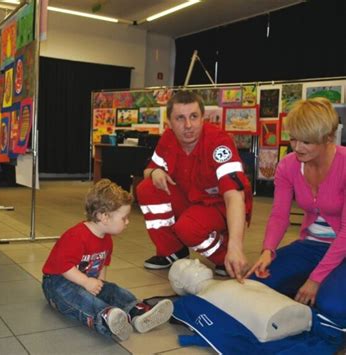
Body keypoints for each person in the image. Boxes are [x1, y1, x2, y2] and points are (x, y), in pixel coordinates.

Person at [246, 98, 346, 329]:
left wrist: (316, 279)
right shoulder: (288, 166)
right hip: (311, 246)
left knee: (332, 305)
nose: (297, 147)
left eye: (307, 141)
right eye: (293, 138)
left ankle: (320, 284)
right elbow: (280, 215)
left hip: (343, 248)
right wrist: (267, 251)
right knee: (254, 284)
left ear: (328, 138)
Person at [136, 91, 252, 281]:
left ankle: (224, 256)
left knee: (188, 228)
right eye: (180, 118)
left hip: (218, 205)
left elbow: (234, 196)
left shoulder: (219, 143)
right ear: (170, 123)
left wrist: (236, 247)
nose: (188, 125)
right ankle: (172, 251)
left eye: (194, 117)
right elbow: (148, 171)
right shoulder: (168, 138)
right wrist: (155, 172)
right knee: (147, 188)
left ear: (203, 118)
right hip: (191, 199)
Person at [42, 179, 174, 341]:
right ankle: (105, 317)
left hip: (85, 280)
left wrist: (99, 282)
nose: (127, 222)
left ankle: (137, 311)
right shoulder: (76, 236)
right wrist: (86, 282)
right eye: (124, 218)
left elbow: (103, 262)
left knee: (113, 289)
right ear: (104, 217)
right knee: (78, 298)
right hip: (58, 283)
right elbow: (64, 267)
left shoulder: (106, 239)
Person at [169, 259, 312, 342]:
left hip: (293, 311)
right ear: (179, 284)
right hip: (272, 322)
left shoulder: (231, 283)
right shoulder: (200, 300)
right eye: (188, 265)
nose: (196, 260)